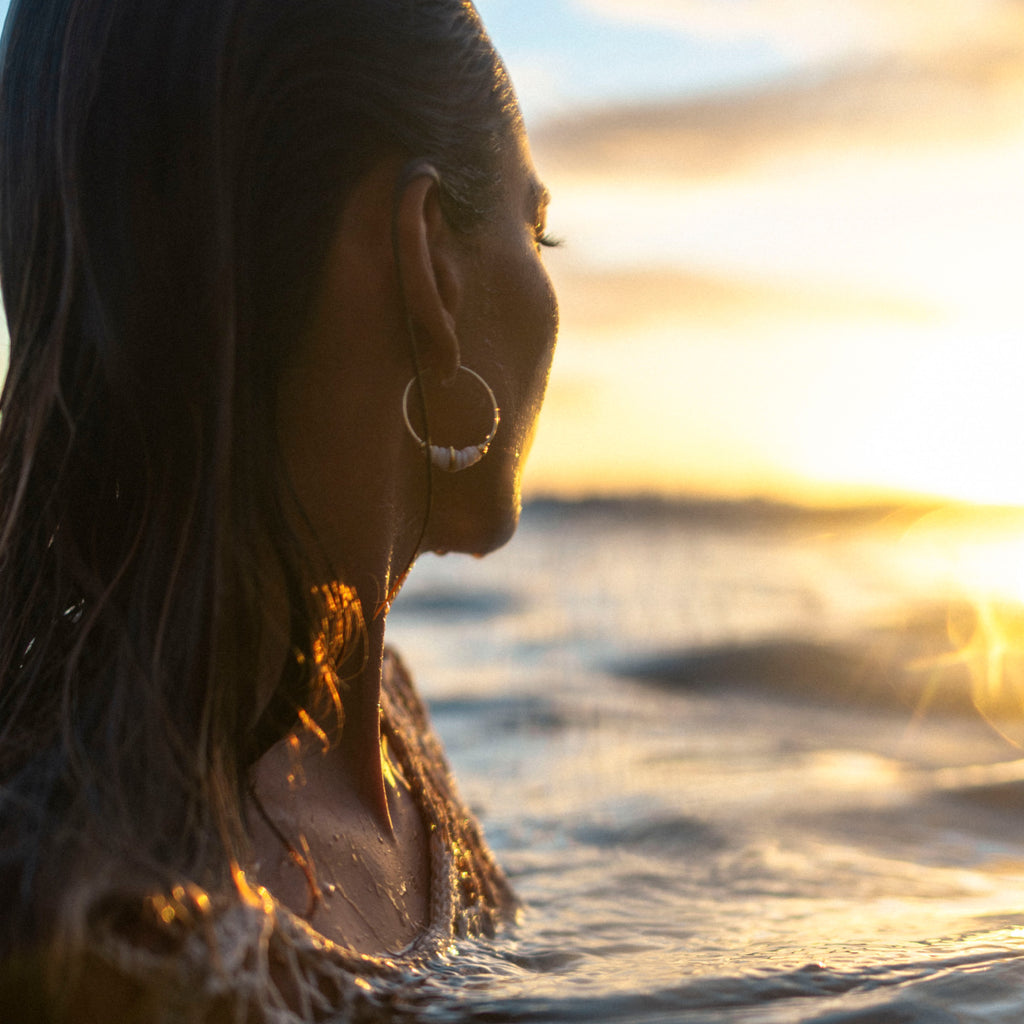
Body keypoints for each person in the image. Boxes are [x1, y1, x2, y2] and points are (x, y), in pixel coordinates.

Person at [0, 0, 559, 1018]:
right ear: (429, 259)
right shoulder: (126, 939)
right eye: (538, 229)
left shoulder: (385, 722)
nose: (548, 284)